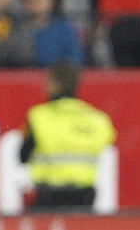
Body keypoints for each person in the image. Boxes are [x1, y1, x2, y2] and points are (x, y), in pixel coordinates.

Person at [19, 63, 116, 211]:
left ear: (56, 84)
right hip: (84, 200)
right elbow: (108, 140)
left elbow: (23, 156)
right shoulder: (97, 120)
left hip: (49, 199)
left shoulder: (39, 117)